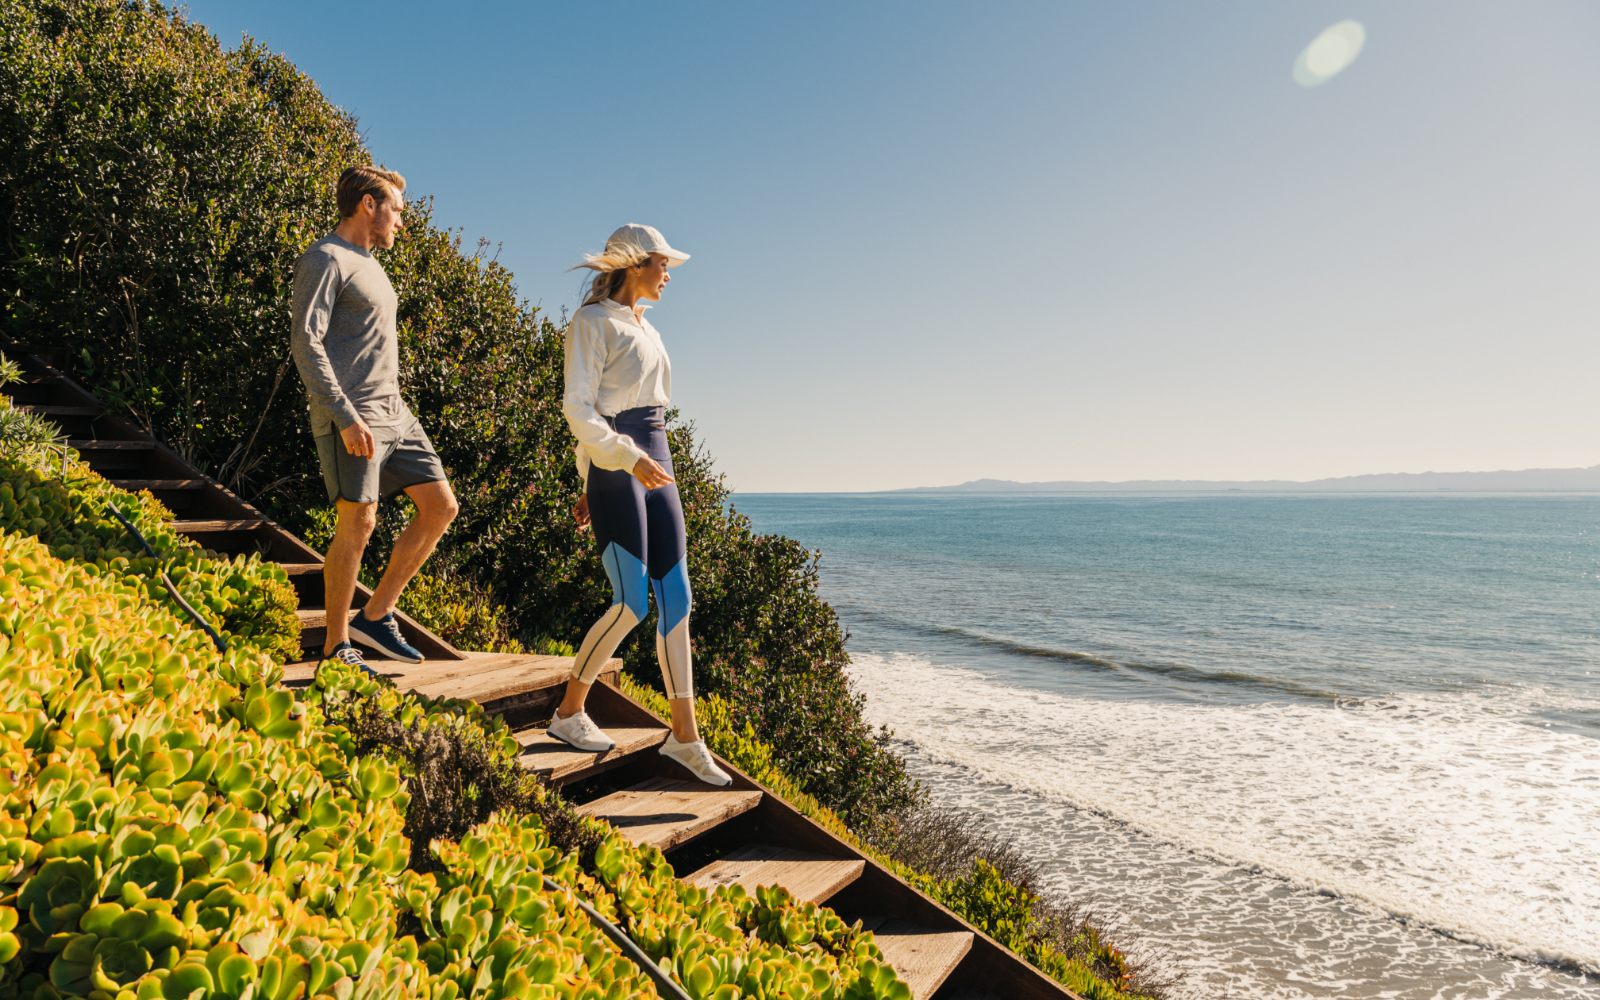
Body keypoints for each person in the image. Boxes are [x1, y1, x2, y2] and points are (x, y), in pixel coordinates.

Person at [546, 224, 731, 786]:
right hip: (624, 462)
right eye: (663, 264)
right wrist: (608, 468)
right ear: (634, 264)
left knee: (678, 597)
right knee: (631, 604)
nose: (669, 274)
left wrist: (602, 473)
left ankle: (684, 736)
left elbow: (634, 408)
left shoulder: (645, 327)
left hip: (656, 458)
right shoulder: (592, 321)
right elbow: (580, 409)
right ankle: (568, 713)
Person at [290, 165, 459, 671]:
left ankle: (376, 612)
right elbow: (306, 340)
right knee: (359, 522)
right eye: (397, 211)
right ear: (369, 204)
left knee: (441, 507)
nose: (401, 222)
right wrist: (342, 414)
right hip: (352, 414)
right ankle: (336, 645)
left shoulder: (371, 264)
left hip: (395, 414)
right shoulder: (325, 259)